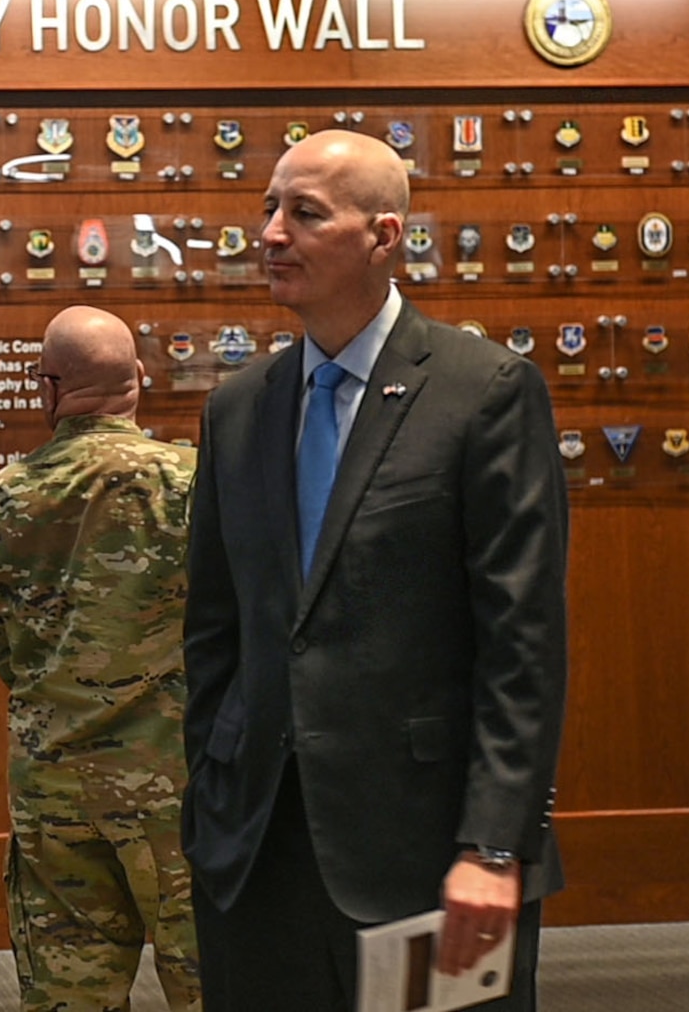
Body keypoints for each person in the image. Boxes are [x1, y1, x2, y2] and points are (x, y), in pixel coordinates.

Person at [181, 129, 569, 1012]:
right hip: (256, 853)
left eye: (305, 213)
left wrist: (494, 845)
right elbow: (214, 628)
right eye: (269, 209)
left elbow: (523, 645)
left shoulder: (484, 391)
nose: (272, 233)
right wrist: (211, 796)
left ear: (384, 237)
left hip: (428, 855)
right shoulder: (239, 407)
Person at [0, 305, 202, 1012]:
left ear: (48, 387)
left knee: (72, 1000)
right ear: (139, 378)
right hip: (177, 792)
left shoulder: (2, 499)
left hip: (55, 792)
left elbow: (0, 642)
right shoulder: (190, 484)